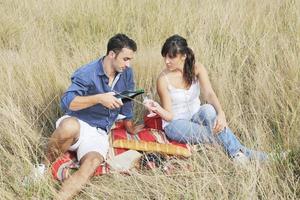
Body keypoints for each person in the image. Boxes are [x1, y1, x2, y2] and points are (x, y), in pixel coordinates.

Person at [40, 33, 142, 199]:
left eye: (130, 59)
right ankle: (41, 168)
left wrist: (129, 126)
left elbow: (127, 99)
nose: (128, 64)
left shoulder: (127, 73)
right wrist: (100, 98)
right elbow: (67, 102)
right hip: (78, 124)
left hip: (100, 132)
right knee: (68, 126)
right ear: (111, 54)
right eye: (125, 59)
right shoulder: (87, 72)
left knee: (92, 163)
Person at [144, 34, 267, 163]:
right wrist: (156, 108)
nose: (167, 61)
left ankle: (238, 154)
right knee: (214, 132)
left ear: (183, 56)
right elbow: (169, 116)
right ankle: (245, 155)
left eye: (171, 57)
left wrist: (221, 114)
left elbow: (209, 93)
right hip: (176, 123)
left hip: (196, 116)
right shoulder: (163, 79)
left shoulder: (197, 68)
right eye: (165, 56)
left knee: (209, 109)